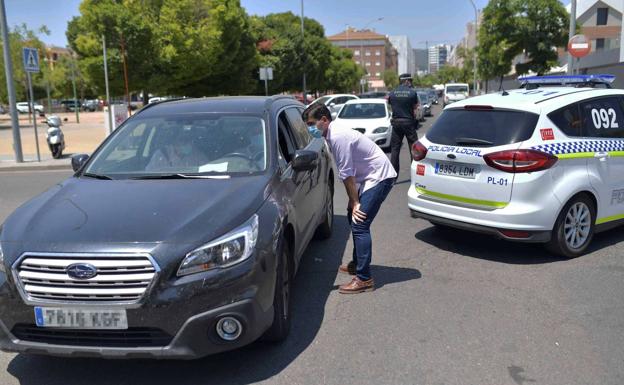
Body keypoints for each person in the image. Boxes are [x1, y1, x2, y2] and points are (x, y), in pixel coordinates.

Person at [303, 103, 396, 294]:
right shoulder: (329, 134)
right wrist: (353, 201)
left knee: (360, 223)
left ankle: (364, 278)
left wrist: (355, 201)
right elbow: (350, 172)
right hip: (367, 177)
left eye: (312, 123)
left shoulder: (337, 136)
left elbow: (347, 174)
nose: (310, 128)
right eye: (307, 124)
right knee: (351, 217)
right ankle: (357, 263)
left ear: (324, 120)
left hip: (380, 176)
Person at [388, 73, 420, 180]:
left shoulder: (392, 93)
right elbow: (415, 109)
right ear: (406, 81)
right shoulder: (412, 93)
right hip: (408, 123)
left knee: (395, 150)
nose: (411, 83)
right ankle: (415, 175)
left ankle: (393, 177)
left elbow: (391, 107)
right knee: (414, 148)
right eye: (410, 81)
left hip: (396, 123)